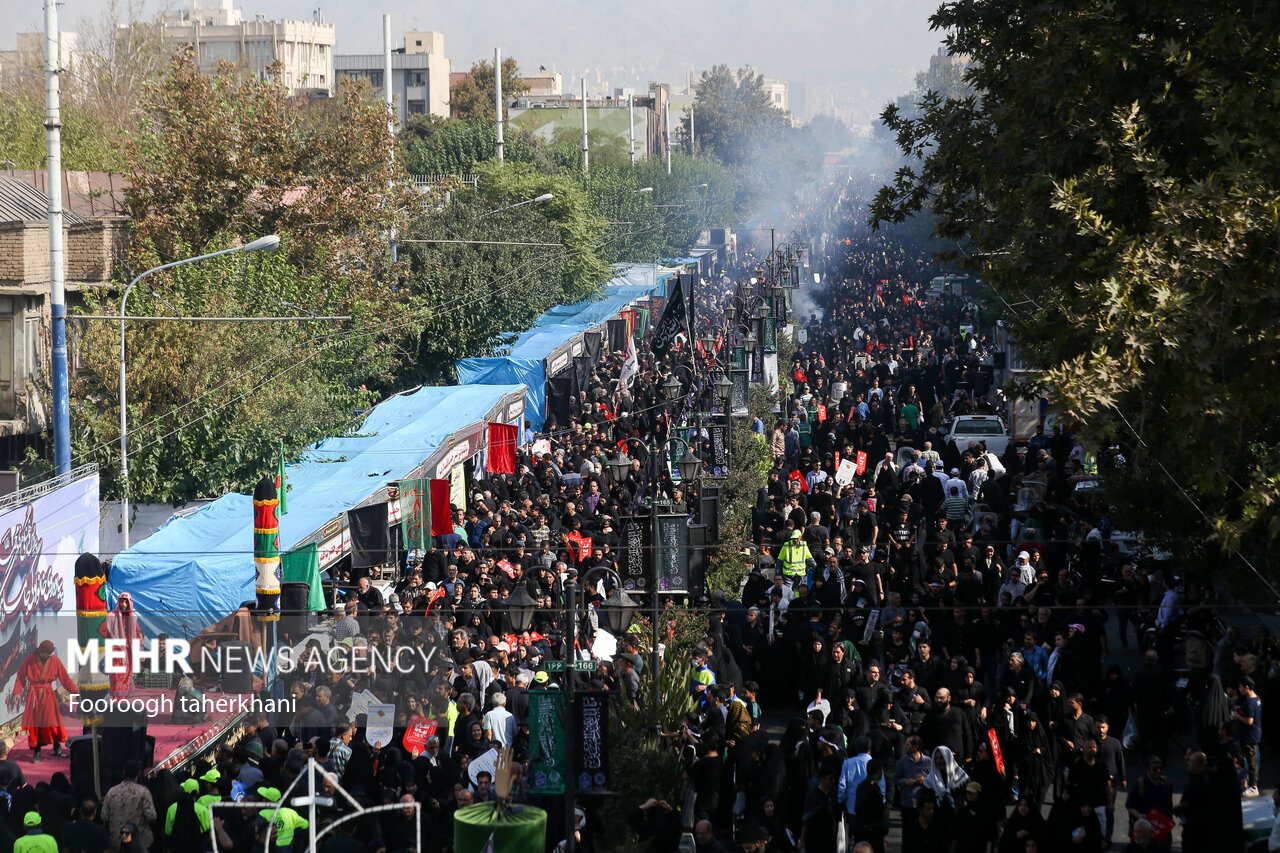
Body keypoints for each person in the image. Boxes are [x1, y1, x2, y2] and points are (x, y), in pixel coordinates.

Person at [11, 639, 75, 761]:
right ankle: (37, 752)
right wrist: (17, 692)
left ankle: (57, 747)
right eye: (48, 653)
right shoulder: (30, 660)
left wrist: (75, 691)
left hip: (48, 694)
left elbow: (64, 678)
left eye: (51, 652)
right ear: (41, 652)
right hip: (33, 695)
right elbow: (20, 677)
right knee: (35, 725)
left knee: (51, 721)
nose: (50, 655)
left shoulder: (55, 660)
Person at [101, 760, 156, 851]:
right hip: (140, 842)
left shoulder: (112, 792)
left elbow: (104, 816)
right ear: (138, 774)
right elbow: (151, 817)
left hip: (118, 841)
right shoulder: (143, 792)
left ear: (123, 773)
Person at [102, 592, 145, 699]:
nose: (123, 604)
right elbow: (104, 633)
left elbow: (137, 633)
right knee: (117, 676)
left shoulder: (132, 617)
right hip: (116, 650)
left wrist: (140, 652)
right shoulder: (111, 616)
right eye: (121, 601)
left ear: (129, 603)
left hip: (129, 650)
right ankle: (117, 700)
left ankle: (123, 699)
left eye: (126, 602)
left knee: (126, 675)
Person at [801, 763, 841, 853]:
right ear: (823, 778)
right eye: (830, 778)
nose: (833, 781)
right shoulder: (813, 796)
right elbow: (806, 818)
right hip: (814, 836)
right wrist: (802, 839)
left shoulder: (833, 793)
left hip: (829, 836)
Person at [852, 758, 888, 853]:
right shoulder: (873, 789)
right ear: (878, 771)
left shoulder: (862, 785)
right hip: (871, 830)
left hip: (862, 829)